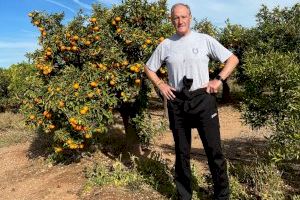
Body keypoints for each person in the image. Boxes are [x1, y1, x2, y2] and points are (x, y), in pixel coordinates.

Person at [144, 3, 239, 200]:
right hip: (177, 102)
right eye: (176, 18)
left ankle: (222, 196)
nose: (180, 21)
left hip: (203, 98)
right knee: (181, 153)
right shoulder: (166, 44)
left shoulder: (204, 40)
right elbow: (149, 68)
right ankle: (184, 196)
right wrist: (161, 84)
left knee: (214, 152)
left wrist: (219, 79)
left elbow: (232, 59)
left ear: (190, 17)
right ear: (171, 20)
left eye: (183, 17)